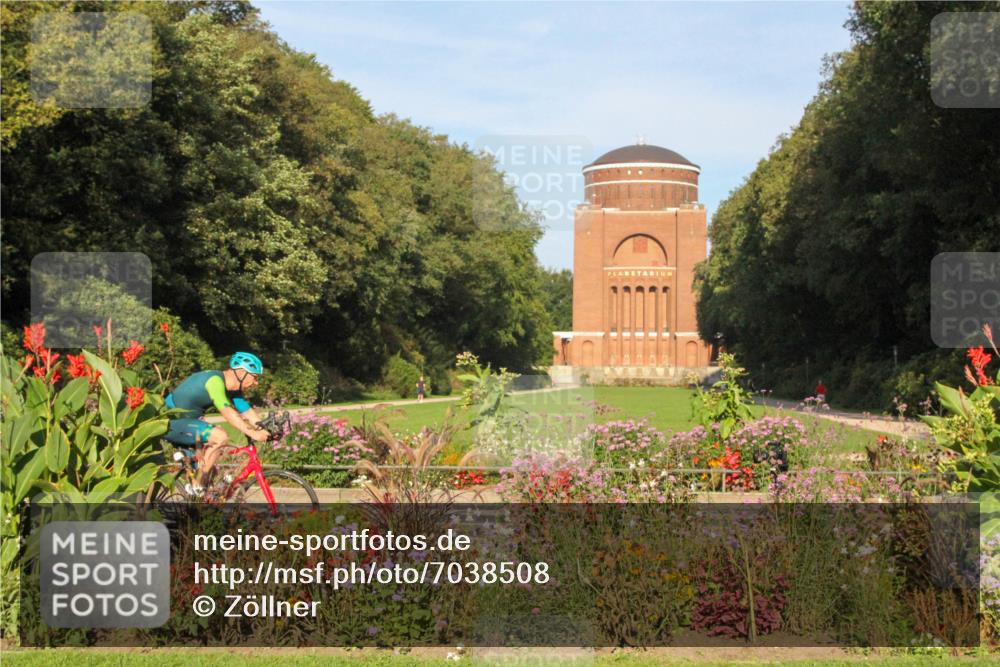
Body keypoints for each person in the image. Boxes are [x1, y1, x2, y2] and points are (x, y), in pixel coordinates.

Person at [164, 352, 268, 487]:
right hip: (170, 422)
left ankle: (197, 499)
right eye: (254, 377)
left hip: (190, 424)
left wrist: (266, 430)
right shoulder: (215, 381)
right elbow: (227, 412)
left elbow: (247, 412)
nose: (255, 382)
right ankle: (197, 486)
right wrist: (254, 433)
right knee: (220, 436)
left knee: (211, 475)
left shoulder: (233, 390)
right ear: (242, 372)